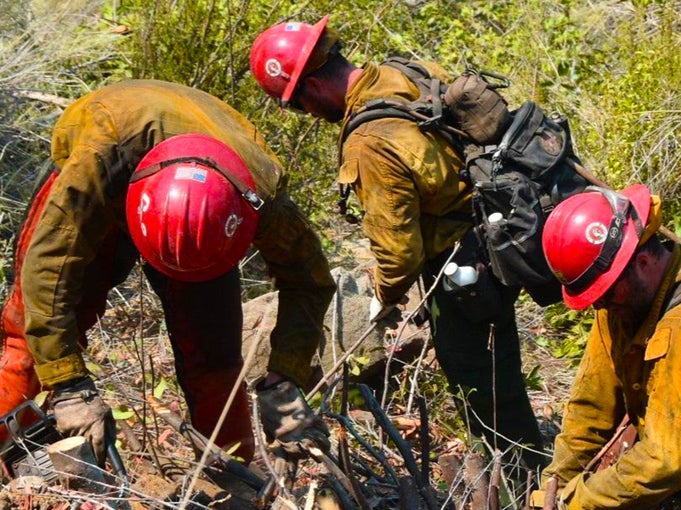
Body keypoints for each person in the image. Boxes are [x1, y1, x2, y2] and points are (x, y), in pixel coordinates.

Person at [250, 16, 546, 473]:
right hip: (497, 228)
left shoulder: (369, 141)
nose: (305, 114)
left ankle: (524, 475)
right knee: (499, 362)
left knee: (480, 380)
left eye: (296, 105)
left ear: (310, 87)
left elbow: (399, 251)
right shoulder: (401, 71)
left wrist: (384, 297)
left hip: (462, 263)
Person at [0, 79, 335, 467]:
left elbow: (309, 281)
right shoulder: (99, 159)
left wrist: (284, 379)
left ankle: (233, 478)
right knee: (25, 335)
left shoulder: (259, 193)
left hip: (207, 201)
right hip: (115, 161)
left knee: (214, 363)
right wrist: (68, 385)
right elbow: (48, 270)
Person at [536, 184, 681, 508]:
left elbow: (666, 458)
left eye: (605, 293)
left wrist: (578, 502)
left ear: (642, 262)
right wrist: (552, 489)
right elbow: (590, 408)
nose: (599, 306)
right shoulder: (621, 300)